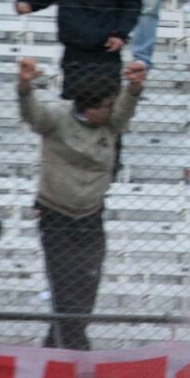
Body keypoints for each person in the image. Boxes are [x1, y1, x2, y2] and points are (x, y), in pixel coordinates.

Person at [17, 56, 146, 350]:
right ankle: (75, 352)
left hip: (90, 217)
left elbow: (126, 107)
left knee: (86, 289)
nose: (112, 110)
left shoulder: (111, 124)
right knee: (65, 289)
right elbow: (32, 115)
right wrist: (25, 87)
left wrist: (135, 87)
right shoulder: (57, 118)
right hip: (56, 216)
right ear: (90, 107)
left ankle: (55, 350)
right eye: (106, 105)